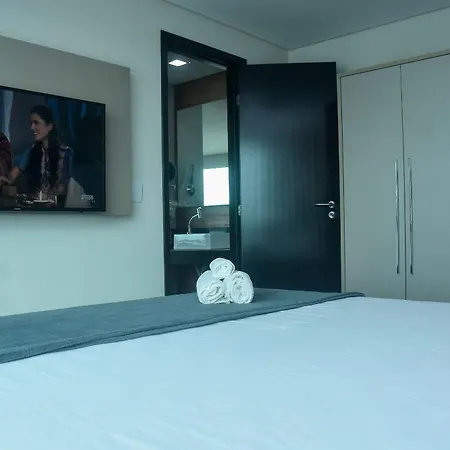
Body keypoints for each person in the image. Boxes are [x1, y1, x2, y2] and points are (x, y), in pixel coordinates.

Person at [0, 105, 73, 197]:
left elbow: (71, 187)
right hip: (36, 204)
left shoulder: (66, 153)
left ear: (49, 126)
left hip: (60, 205)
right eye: (31, 123)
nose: (32, 127)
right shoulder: (31, 152)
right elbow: (12, 176)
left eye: (36, 123)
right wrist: (4, 179)